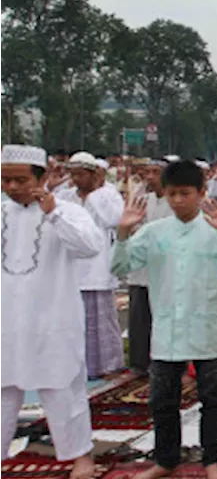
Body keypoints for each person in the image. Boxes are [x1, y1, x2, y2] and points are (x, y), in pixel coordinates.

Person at [112, 160, 217, 479]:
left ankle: (213, 459)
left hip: (208, 328)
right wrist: (123, 233)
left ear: (201, 193)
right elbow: (119, 266)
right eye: (173, 193)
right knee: (162, 400)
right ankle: (165, 458)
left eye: (185, 193)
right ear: (164, 194)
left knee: (213, 398)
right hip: (166, 330)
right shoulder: (153, 232)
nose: (178, 200)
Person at [0, 145, 103, 479]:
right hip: (6, 319)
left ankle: (80, 456)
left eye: (20, 180)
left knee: (62, 386)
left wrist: (53, 212)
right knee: (2, 389)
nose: (12, 188)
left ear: (41, 178)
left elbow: (89, 246)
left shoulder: (68, 211)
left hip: (52, 317)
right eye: (5, 181)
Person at [58, 152, 126, 378]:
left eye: (81, 174)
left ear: (94, 174)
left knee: (102, 321)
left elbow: (113, 220)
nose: (76, 179)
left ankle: (109, 365)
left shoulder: (109, 194)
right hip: (71, 268)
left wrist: (94, 195)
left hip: (98, 266)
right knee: (75, 321)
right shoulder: (65, 196)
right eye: (73, 174)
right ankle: (78, 366)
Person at [124, 159, 172, 376]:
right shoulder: (142, 200)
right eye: (147, 172)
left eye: (156, 172)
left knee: (164, 317)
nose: (150, 177)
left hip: (165, 268)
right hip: (141, 267)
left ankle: (166, 362)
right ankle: (139, 363)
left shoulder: (175, 201)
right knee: (139, 316)